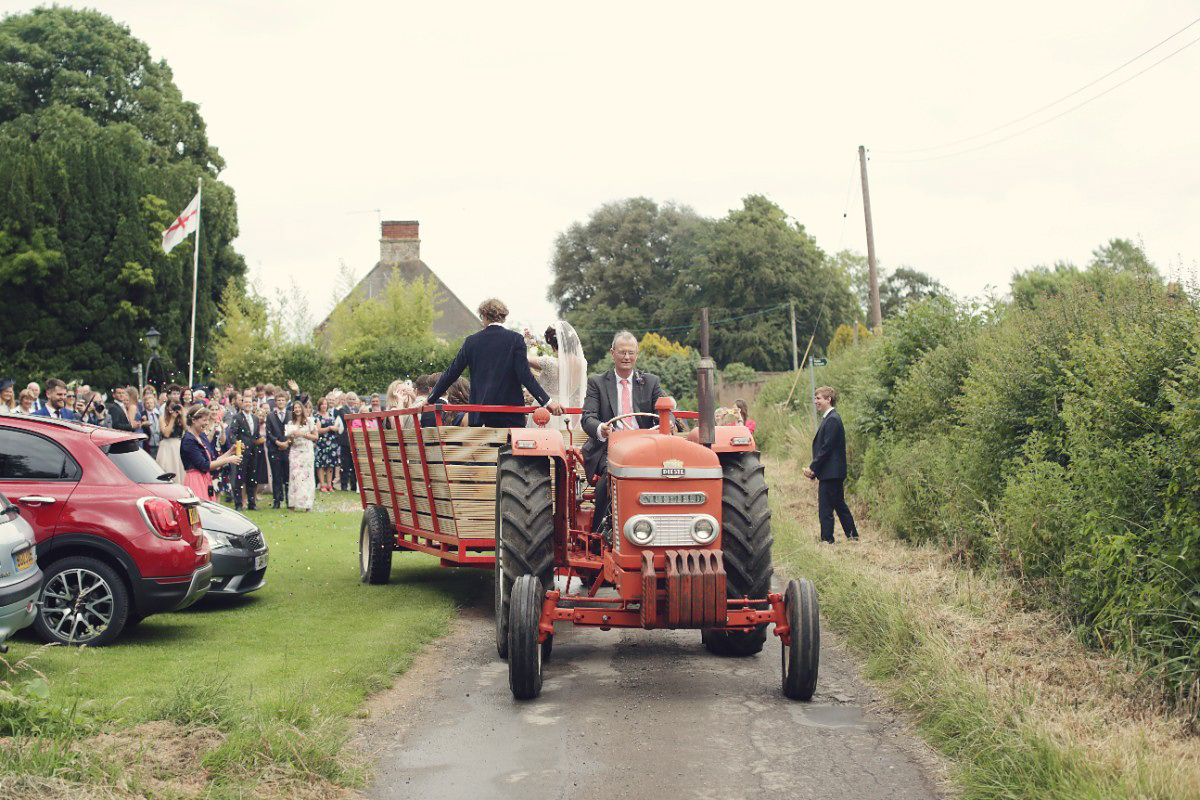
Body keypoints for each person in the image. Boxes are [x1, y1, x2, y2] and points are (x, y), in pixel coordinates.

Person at [427, 298, 562, 427]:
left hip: (480, 414)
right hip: (510, 414)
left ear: (484, 316)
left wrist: (430, 399)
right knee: (509, 450)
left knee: (486, 451)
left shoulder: (471, 342)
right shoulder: (515, 340)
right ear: (503, 317)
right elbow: (525, 376)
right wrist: (547, 401)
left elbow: (452, 373)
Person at [581, 331, 667, 531]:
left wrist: (668, 421)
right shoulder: (597, 383)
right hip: (609, 449)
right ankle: (600, 534)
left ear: (637, 354)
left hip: (646, 448)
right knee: (607, 483)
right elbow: (588, 417)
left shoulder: (651, 382)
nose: (627, 357)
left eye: (631, 353)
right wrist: (601, 428)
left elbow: (665, 409)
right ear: (612, 354)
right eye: (622, 353)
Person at [803, 386, 859, 543]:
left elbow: (826, 448)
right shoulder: (830, 418)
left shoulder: (833, 419)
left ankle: (827, 540)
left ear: (829, 399)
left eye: (818, 398)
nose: (815, 402)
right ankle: (852, 536)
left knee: (826, 508)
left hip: (831, 472)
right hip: (832, 471)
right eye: (815, 398)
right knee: (839, 504)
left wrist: (813, 467)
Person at [525, 321, 588, 430]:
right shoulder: (582, 363)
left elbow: (522, 359)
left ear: (553, 345)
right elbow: (559, 380)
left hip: (545, 408)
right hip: (565, 407)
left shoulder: (550, 362)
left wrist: (526, 343)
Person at [181, 405, 241, 502]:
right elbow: (204, 465)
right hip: (195, 481)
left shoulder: (202, 436)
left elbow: (212, 461)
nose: (206, 423)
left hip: (206, 479)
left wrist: (230, 452)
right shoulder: (188, 440)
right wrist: (229, 460)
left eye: (207, 420)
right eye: (204, 420)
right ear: (193, 420)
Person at [229, 390, 262, 511]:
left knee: (251, 479)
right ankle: (238, 504)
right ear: (242, 403)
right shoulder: (237, 417)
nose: (248, 404)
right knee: (239, 478)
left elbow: (256, 435)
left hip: (254, 452)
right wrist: (238, 445)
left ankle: (251, 503)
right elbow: (232, 434)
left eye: (250, 402)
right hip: (242, 452)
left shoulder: (255, 418)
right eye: (246, 402)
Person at [286, 402, 318, 511]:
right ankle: (293, 503)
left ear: (302, 409)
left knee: (307, 477)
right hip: (295, 451)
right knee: (294, 476)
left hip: (307, 452)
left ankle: (307, 504)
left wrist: (302, 434)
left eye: (299, 407)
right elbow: (289, 441)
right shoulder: (291, 422)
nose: (297, 409)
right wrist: (291, 437)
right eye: (295, 408)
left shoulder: (309, 421)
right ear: (293, 410)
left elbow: (315, 436)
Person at [265, 389, 290, 509]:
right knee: (276, 476)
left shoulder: (290, 415)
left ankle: (289, 500)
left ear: (286, 402)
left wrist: (287, 443)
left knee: (288, 476)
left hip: (288, 449)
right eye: (278, 400)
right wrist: (278, 443)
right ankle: (277, 501)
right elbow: (268, 432)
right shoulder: (270, 416)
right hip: (274, 450)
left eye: (283, 400)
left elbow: (294, 430)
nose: (280, 402)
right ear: (275, 402)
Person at [314, 396, 340, 493]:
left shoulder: (331, 415)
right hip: (322, 442)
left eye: (325, 404)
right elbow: (318, 430)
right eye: (322, 404)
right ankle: (322, 484)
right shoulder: (317, 416)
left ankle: (329, 484)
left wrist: (336, 428)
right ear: (319, 406)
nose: (324, 406)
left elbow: (337, 427)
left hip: (332, 443)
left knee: (330, 464)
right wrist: (329, 428)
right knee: (321, 464)